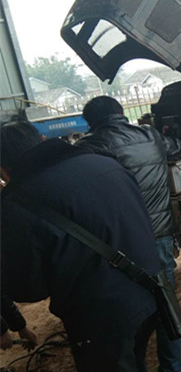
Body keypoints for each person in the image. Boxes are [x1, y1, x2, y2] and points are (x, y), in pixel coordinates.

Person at [0, 120, 163, 372]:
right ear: (42, 140)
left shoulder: (14, 204)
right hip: (148, 291)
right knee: (136, 359)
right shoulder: (105, 163)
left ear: (3, 168)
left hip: (98, 319)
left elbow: (28, 289)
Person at [76, 96, 181, 372]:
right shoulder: (151, 136)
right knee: (166, 307)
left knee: (131, 313)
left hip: (121, 243)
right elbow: (177, 147)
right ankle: (172, 368)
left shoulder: (89, 147)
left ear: (90, 121)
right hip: (160, 235)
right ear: (121, 112)